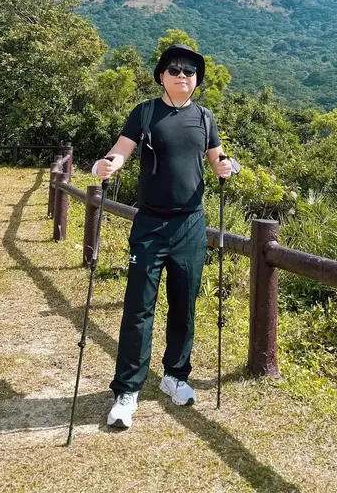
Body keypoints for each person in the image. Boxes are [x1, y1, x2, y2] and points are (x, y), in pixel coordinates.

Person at [92, 43, 233, 430]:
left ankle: (176, 376)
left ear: (197, 80)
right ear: (161, 76)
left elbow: (217, 159)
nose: (183, 74)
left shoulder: (205, 118)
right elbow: (121, 150)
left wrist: (226, 168)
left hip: (191, 223)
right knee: (139, 305)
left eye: (190, 70)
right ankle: (127, 390)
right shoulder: (145, 112)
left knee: (184, 304)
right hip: (151, 223)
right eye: (174, 69)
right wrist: (107, 165)